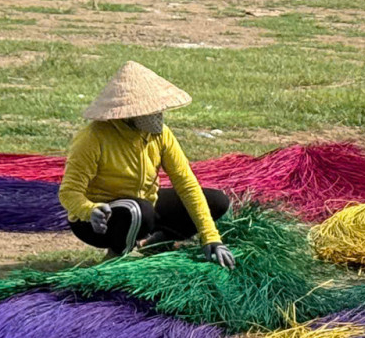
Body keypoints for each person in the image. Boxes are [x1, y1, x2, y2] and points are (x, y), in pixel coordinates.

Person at [59, 62, 235, 266]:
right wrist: (90, 210)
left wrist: (211, 237)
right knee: (136, 210)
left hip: (145, 208)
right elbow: (68, 192)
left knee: (217, 201)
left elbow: (186, 183)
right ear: (131, 113)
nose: (159, 116)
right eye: (152, 111)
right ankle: (117, 256)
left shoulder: (161, 135)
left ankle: (158, 244)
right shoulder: (93, 138)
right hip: (100, 221)